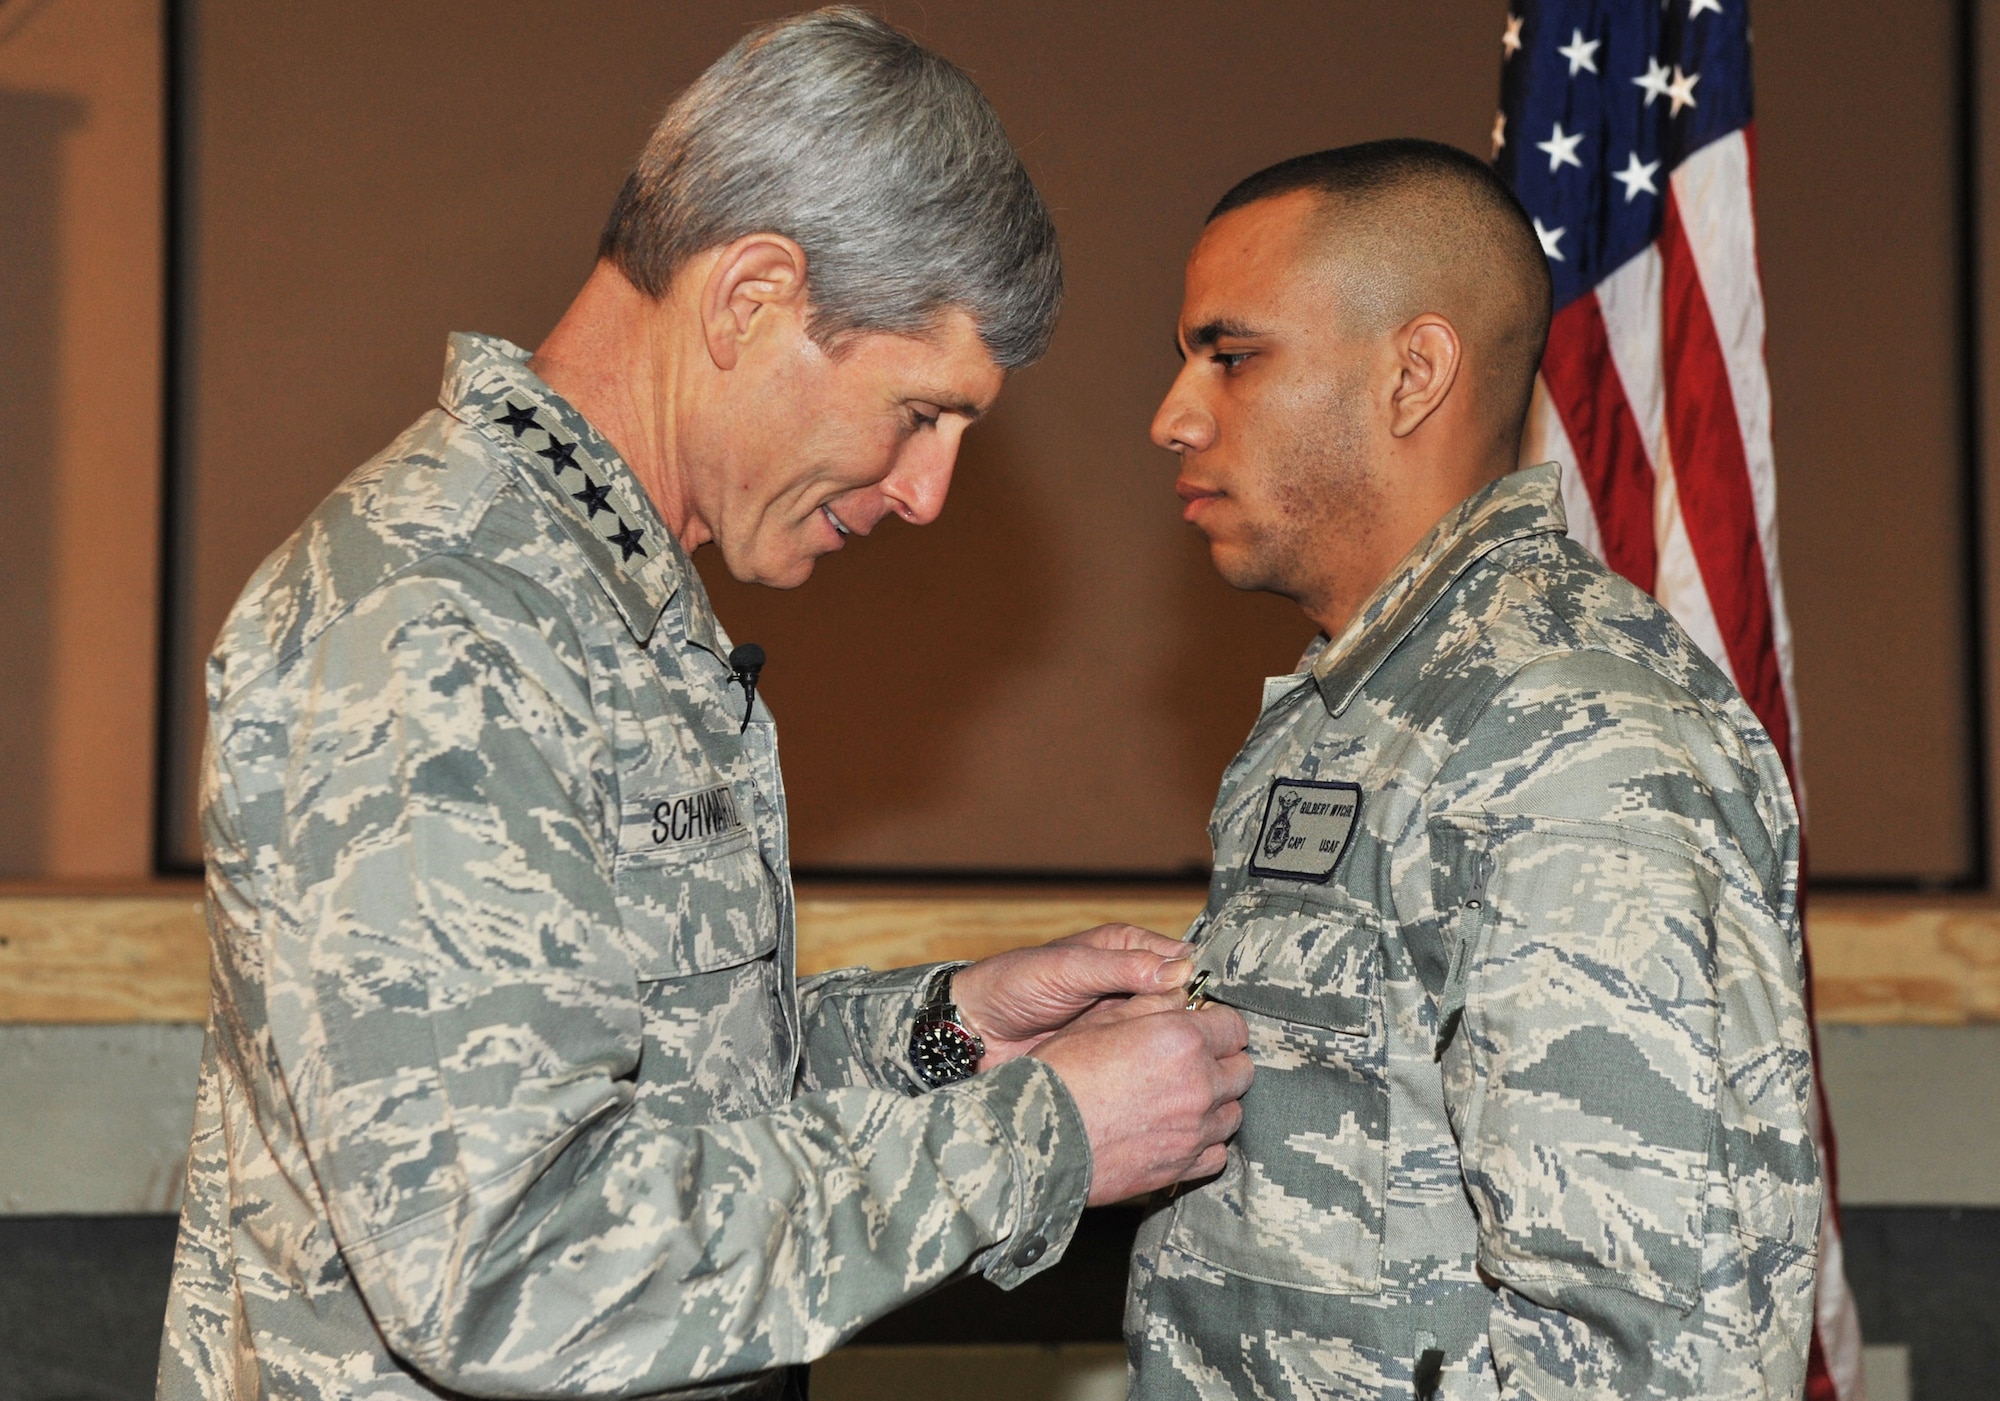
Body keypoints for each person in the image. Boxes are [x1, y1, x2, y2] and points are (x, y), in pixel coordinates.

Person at [157, 11, 1253, 1398]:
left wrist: (952, 1035)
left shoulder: (600, 604)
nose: (927, 494)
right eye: (921, 413)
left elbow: (660, 1096)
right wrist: (1040, 1135)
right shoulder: (435, 624)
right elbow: (507, 1267)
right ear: (752, 297)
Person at [1123, 139, 1821, 1399]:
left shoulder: (1570, 736)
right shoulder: (1366, 706)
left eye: (1229, 356)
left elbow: (1651, 1345)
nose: (1172, 414)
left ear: (1413, 372)